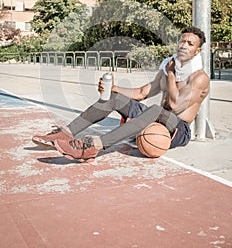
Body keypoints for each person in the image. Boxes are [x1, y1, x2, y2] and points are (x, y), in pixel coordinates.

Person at [32, 26, 210, 162]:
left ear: (198, 51)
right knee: (114, 99)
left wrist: (171, 74)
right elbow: (141, 93)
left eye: (190, 44)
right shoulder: (168, 67)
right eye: (182, 41)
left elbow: (175, 105)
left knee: (156, 109)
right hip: (157, 119)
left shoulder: (199, 77)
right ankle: (67, 132)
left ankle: (93, 146)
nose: (184, 46)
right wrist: (115, 88)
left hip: (178, 129)